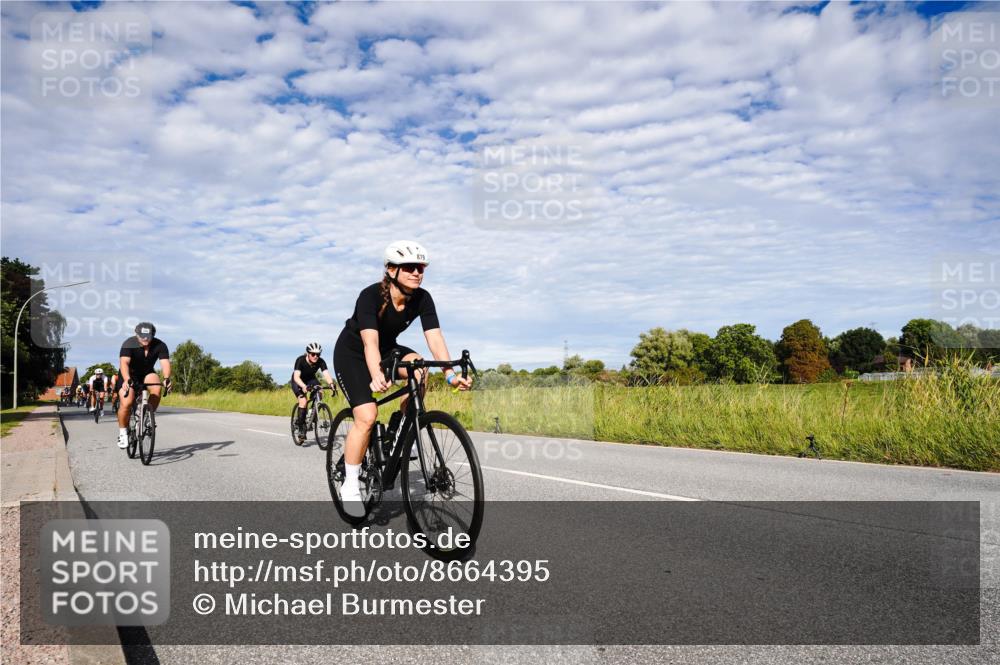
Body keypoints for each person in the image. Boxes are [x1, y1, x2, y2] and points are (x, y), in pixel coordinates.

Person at [333, 240, 472, 516]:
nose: (417, 272)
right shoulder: (370, 296)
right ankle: (349, 483)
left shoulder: (423, 298)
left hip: (387, 350)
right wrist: (375, 375)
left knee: (419, 367)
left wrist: (450, 374)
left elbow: (435, 338)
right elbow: (370, 343)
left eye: (421, 267)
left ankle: (398, 427)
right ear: (391, 270)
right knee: (367, 416)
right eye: (410, 267)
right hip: (353, 354)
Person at [116, 322, 171, 449]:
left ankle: (145, 416)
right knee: (127, 402)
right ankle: (123, 433)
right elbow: (124, 363)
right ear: (136, 335)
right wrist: (126, 379)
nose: (145, 338)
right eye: (141, 336)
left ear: (153, 335)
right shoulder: (129, 344)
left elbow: (165, 363)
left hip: (147, 373)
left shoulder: (160, 345)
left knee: (157, 387)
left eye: (148, 336)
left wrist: (167, 378)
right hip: (129, 374)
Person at [290, 342, 337, 443]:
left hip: (311, 379)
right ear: (308, 353)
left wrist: (331, 384)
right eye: (313, 354)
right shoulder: (300, 360)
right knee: (303, 401)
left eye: (318, 354)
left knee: (320, 391)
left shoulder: (321, 361)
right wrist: (303, 386)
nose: (316, 356)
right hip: (298, 381)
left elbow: (326, 374)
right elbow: (296, 376)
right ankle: (301, 427)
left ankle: (312, 413)